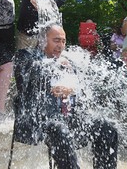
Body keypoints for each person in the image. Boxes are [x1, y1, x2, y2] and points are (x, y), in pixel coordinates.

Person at [13, 24, 118, 168]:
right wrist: (54, 64)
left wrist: (72, 89)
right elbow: (27, 75)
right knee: (59, 129)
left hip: (69, 118)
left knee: (107, 127)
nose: (61, 45)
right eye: (56, 40)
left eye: (63, 41)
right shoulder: (25, 56)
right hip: (40, 120)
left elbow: (85, 87)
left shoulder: (68, 61)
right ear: (43, 40)